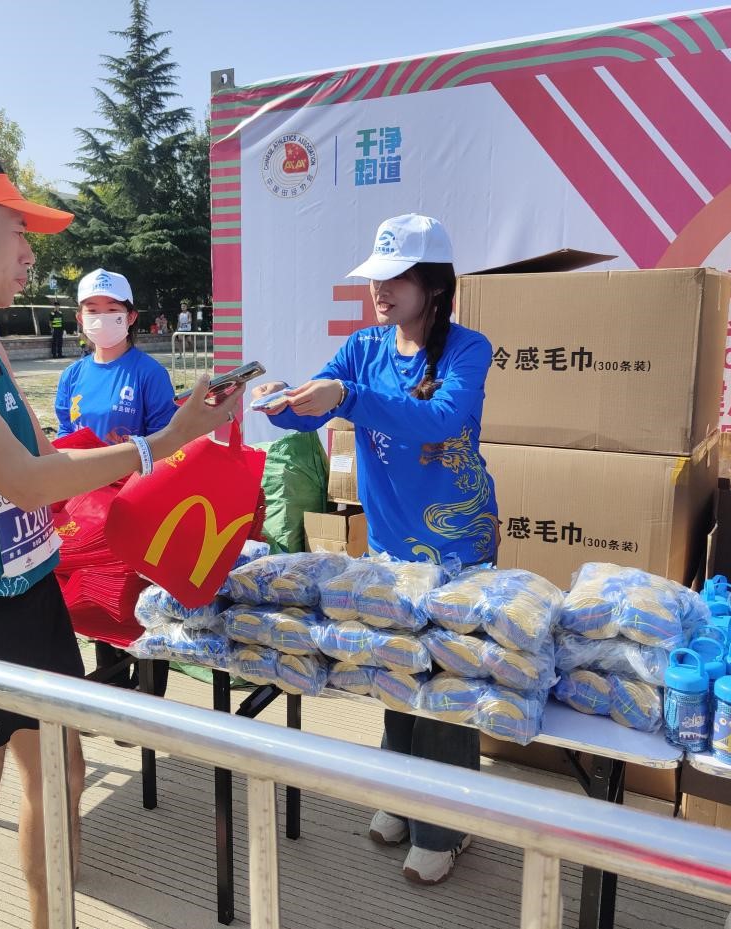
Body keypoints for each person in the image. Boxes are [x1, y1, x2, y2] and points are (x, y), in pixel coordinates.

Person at [0, 139, 233, 929]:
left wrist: (172, 437)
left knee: (61, 784)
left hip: (32, 595)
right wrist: (162, 443)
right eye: (18, 229)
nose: (31, 251)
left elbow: (45, 461)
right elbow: (24, 479)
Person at [254, 213, 498, 886]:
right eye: (375, 278)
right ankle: (401, 794)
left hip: (458, 545)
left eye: (396, 278)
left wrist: (347, 396)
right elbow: (314, 402)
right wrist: (278, 402)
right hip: (390, 545)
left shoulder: (468, 349)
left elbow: (442, 418)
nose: (379, 290)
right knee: (395, 670)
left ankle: (445, 827)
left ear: (435, 284)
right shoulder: (363, 347)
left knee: (446, 681)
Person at [56, 268, 179, 697]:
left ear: (130, 317)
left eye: (112, 309)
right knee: (99, 602)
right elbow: (64, 435)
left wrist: (132, 454)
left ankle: (150, 703)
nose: (101, 317)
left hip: (137, 508)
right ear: (80, 318)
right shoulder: (72, 375)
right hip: (87, 514)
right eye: (92, 309)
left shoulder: (148, 373)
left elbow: (169, 443)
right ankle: (111, 694)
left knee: (142, 609)